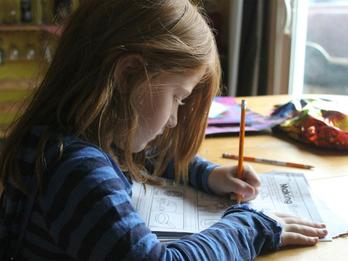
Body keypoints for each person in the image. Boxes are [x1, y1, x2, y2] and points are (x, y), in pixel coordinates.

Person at [0, 0, 327, 260]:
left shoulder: (69, 132)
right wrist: (250, 227)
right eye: (177, 98)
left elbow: (142, 153)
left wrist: (205, 174)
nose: (173, 119)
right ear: (127, 74)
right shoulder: (78, 171)